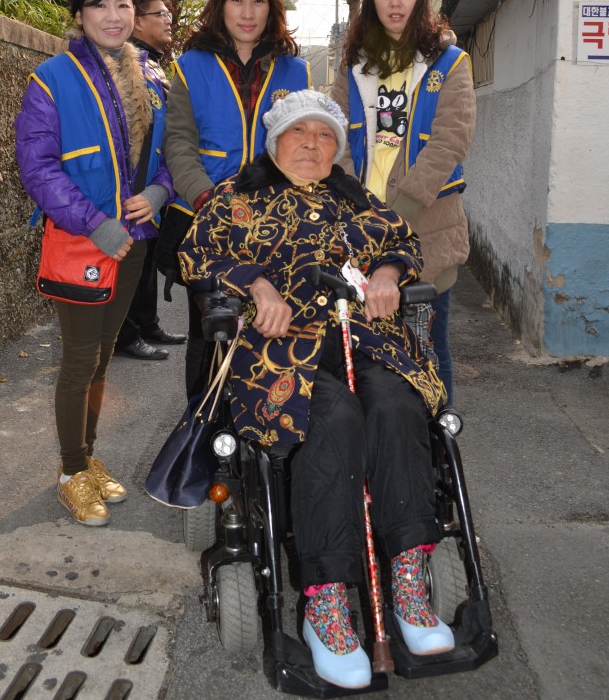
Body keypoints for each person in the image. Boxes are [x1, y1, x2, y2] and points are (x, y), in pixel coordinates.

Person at [178, 90, 453, 689]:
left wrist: (386, 274)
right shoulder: (236, 199)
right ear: (273, 141)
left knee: (396, 405)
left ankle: (408, 574)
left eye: (325, 134)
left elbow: (402, 244)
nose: (311, 143)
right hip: (276, 352)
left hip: (363, 341)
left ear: (339, 147)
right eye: (298, 132)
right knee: (333, 418)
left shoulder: (358, 202)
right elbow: (197, 254)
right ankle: (324, 603)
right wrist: (257, 288)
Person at [15, 0, 173, 527]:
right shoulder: (51, 78)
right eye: (101, 6)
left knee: (104, 356)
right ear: (80, 15)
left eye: (124, 5)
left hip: (133, 241)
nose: (114, 16)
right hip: (85, 241)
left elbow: (171, 154)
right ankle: (68, 473)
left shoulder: (153, 78)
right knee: (81, 359)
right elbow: (37, 166)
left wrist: (158, 192)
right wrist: (94, 222)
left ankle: (86, 457)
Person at [156, 0, 310, 398]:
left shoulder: (294, 70)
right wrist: (208, 198)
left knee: (268, 332)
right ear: (221, 5)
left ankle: (256, 437)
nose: (247, 12)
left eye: (258, 1)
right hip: (204, 219)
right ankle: (200, 435)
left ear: (272, 8)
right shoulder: (191, 65)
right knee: (210, 333)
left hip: (272, 223)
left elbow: (300, 144)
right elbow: (179, 143)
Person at [331, 0, 476, 405]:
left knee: (428, 347)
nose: (396, 1)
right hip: (359, 226)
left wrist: (402, 211)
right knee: (364, 349)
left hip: (427, 228)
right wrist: (355, 204)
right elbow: (334, 135)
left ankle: (437, 446)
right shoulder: (353, 64)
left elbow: (451, 141)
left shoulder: (450, 62)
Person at [114, 0, 186, 360]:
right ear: (138, 22)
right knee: (132, 259)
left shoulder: (153, 64)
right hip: (135, 182)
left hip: (157, 181)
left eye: (169, 12)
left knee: (147, 257)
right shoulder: (126, 63)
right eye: (161, 13)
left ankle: (146, 322)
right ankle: (124, 335)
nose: (169, 18)